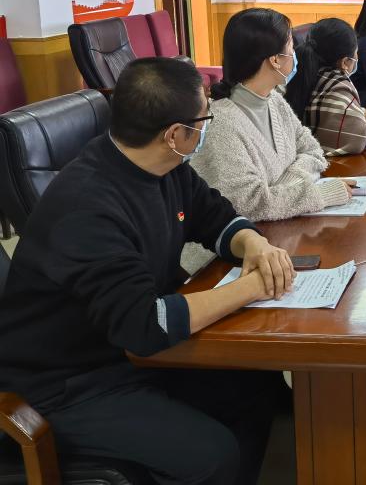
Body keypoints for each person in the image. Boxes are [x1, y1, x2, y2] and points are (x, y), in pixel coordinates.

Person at [0, 57, 293, 484]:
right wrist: (253, 287)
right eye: (203, 118)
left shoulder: (161, 166)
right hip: (65, 386)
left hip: (120, 355)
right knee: (211, 455)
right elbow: (145, 326)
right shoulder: (88, 208)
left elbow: (214, 216)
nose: (206, 127)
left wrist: (255, 244)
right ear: (175, 134)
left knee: (255, 385)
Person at [190, 8, 352, 221]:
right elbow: (248, 203)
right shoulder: (221, 125)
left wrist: (283, 187)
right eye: (291, 47)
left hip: (280, 228)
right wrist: (318, 193)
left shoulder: (274, 100)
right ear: (275, 60)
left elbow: (313, 151)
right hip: (243, 239)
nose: (296, 54)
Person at [284, 17, 366, 155]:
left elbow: (348, 110)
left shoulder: (304, 74)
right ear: (345, 62)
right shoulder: (338, 85)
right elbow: (359, 139)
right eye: (356, 52)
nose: (357, 57)